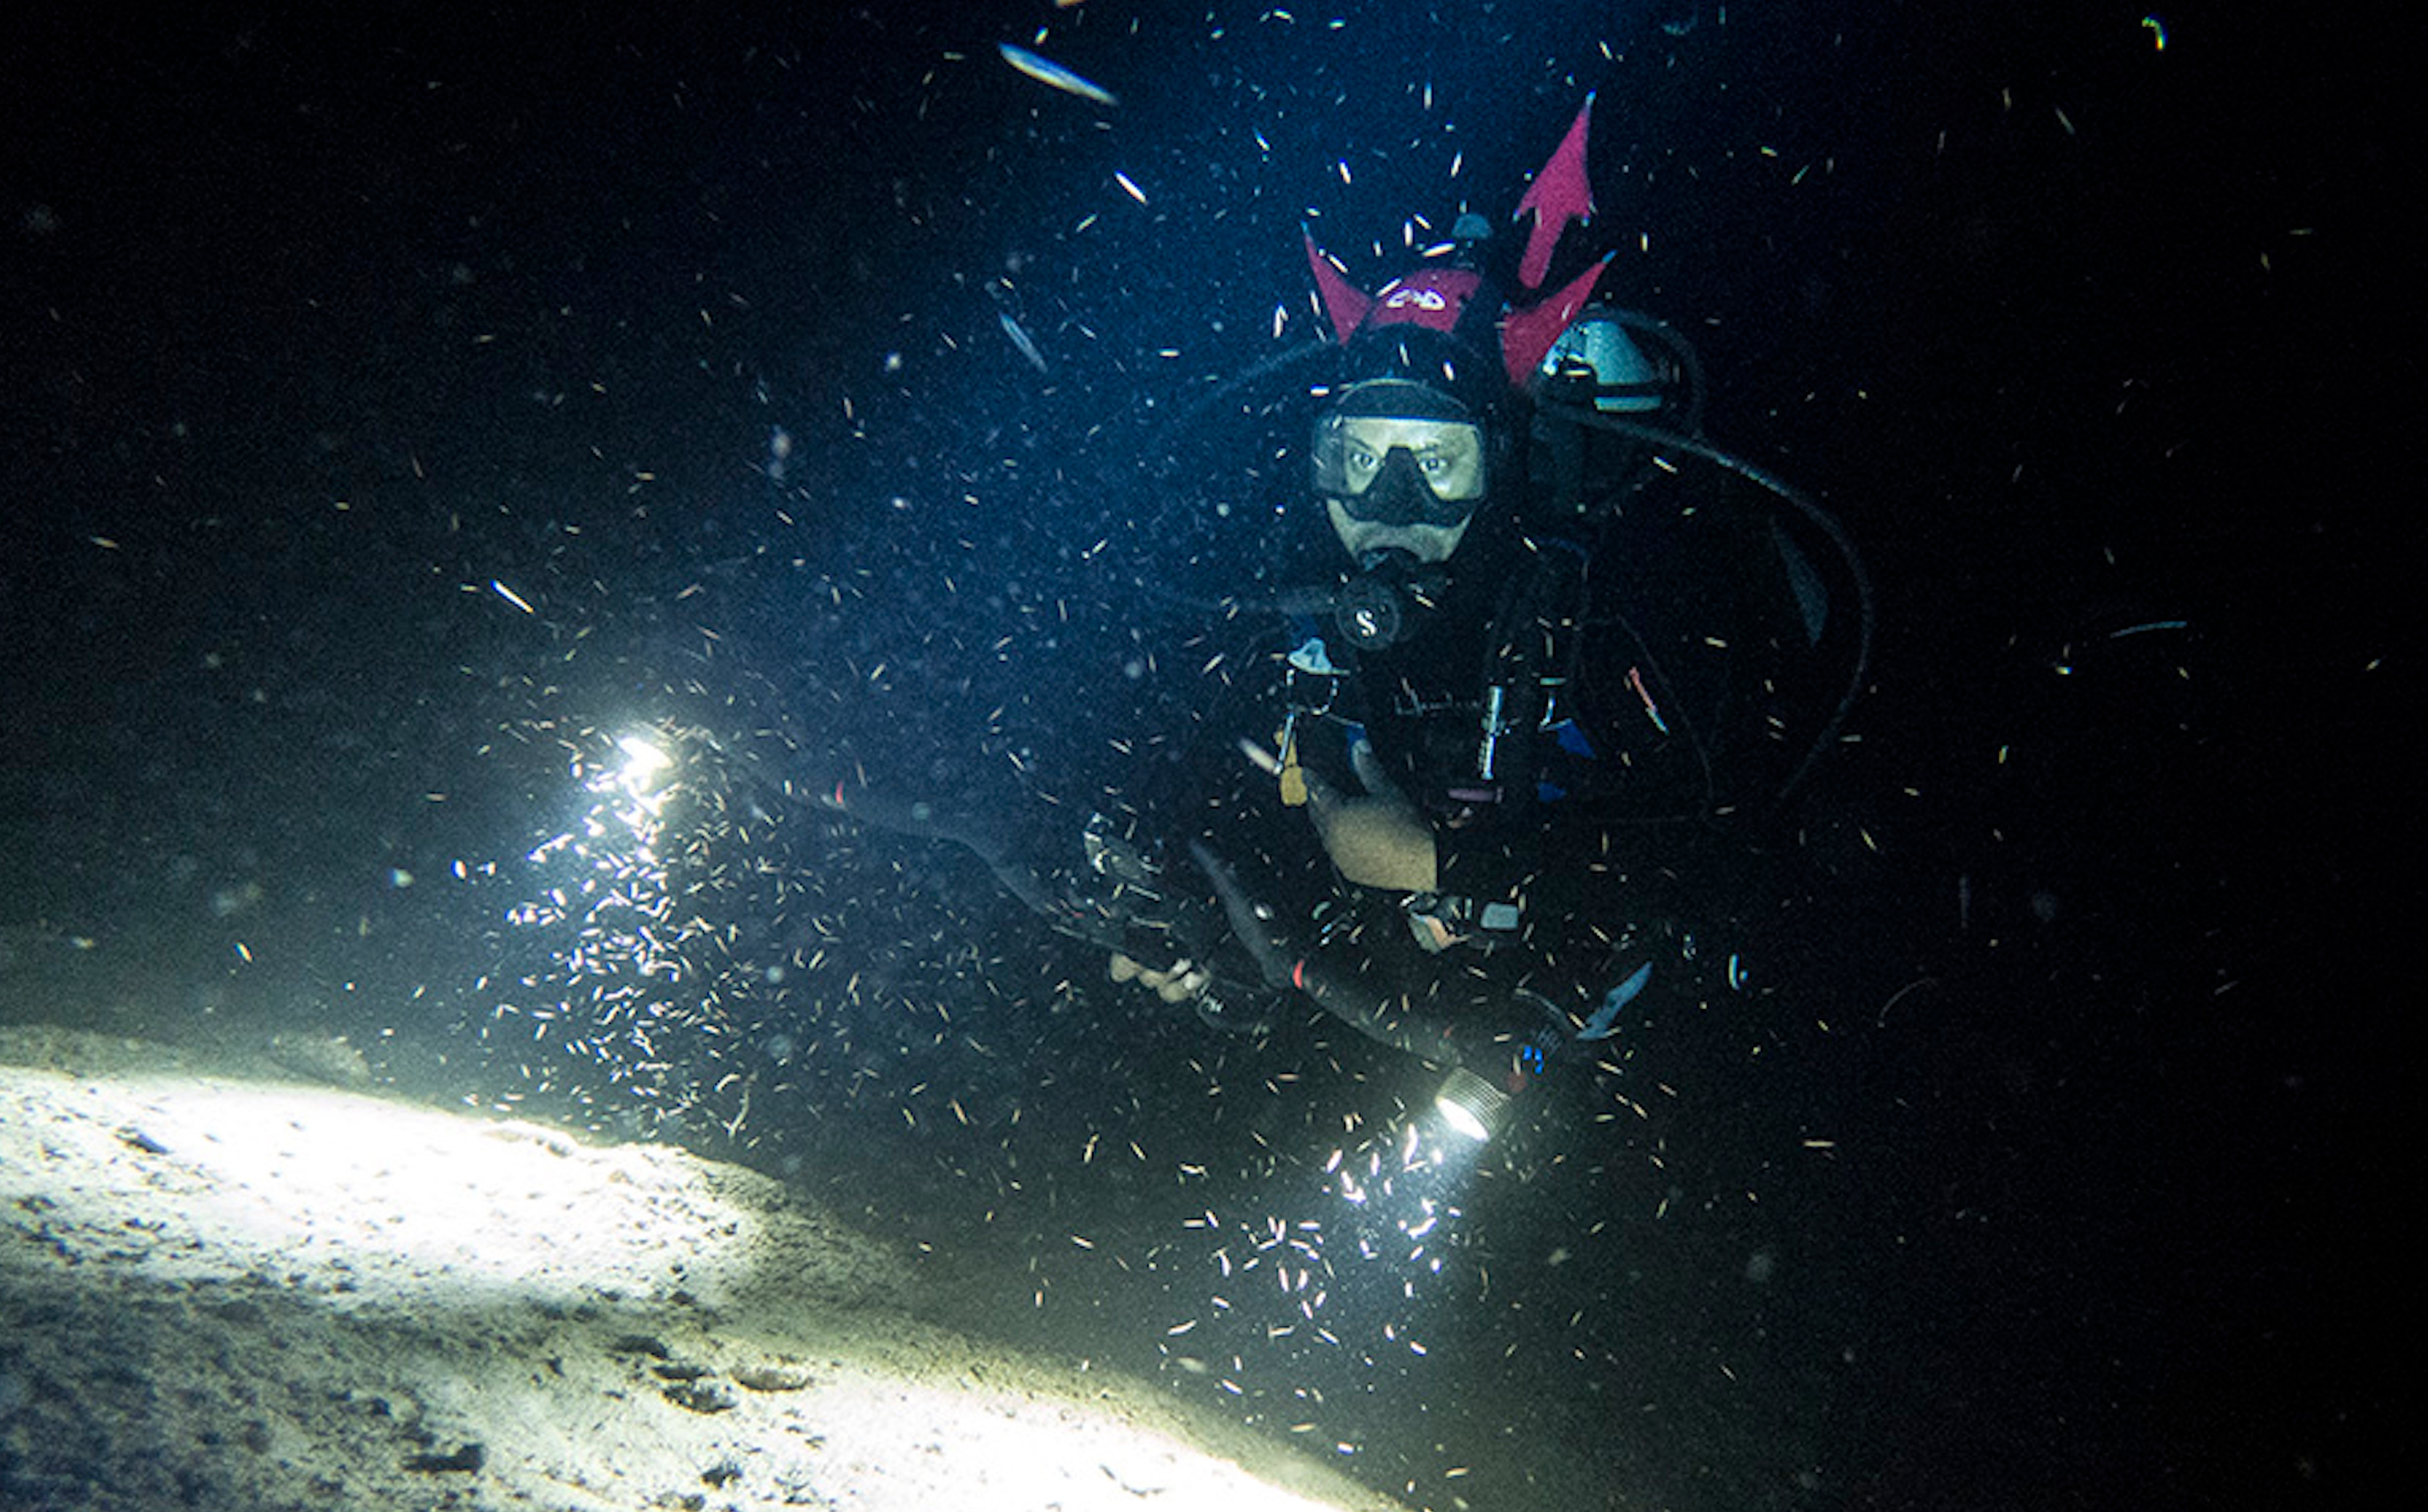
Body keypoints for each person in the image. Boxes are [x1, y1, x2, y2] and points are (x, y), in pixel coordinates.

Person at [754, 101, 1870, 1144]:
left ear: (1509, 466)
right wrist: (1157, 890)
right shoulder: (1299, 581)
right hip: (1376, 971)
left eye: (1435, 467)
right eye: (1358, 461)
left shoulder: (1617, 606)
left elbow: (1727, 865)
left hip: (1578, 1024)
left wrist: (1455, 865)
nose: (1386, 510)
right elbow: (1205, 771)